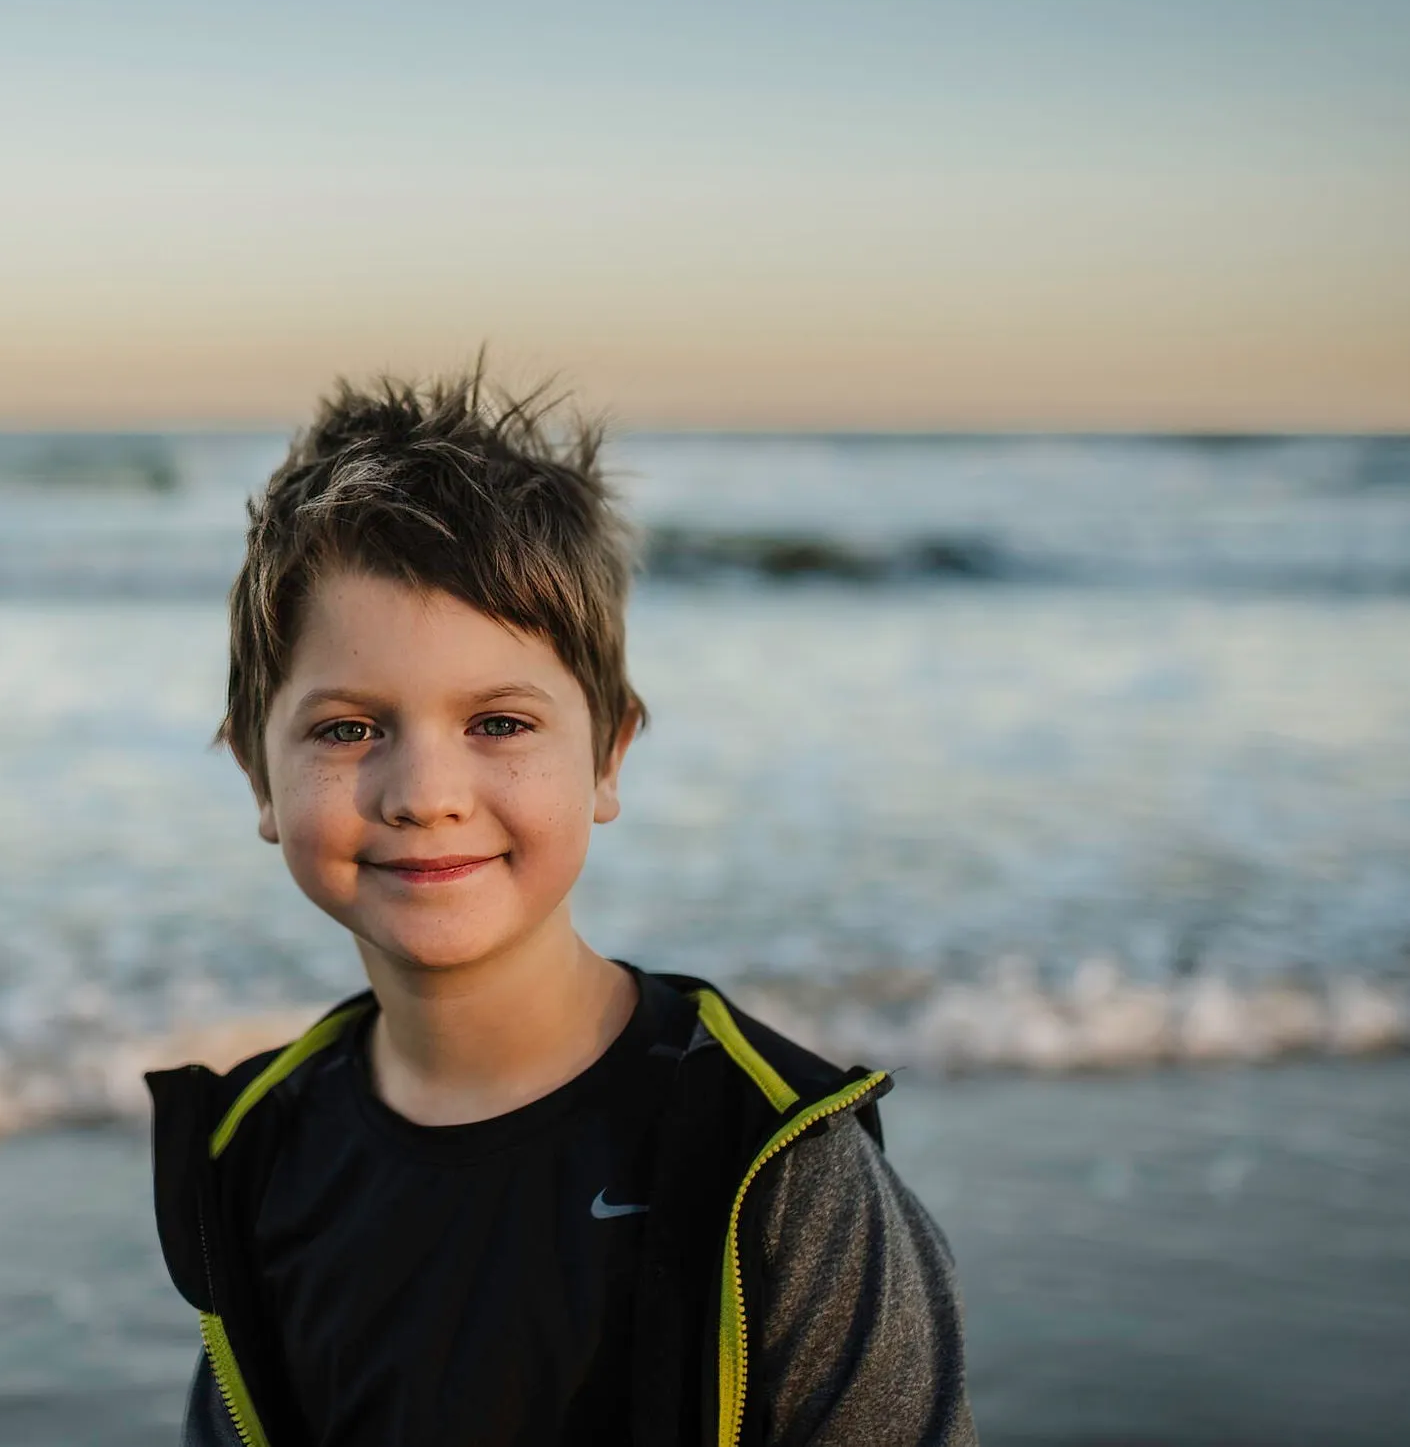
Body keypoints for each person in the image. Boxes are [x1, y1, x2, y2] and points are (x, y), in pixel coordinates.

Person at [146, 366, 974, 1446]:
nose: (425, 795)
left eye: (498, 723)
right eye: (348, 728)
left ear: (609, 754)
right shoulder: (252, 1155)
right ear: (258, 774)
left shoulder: (770, 1160)